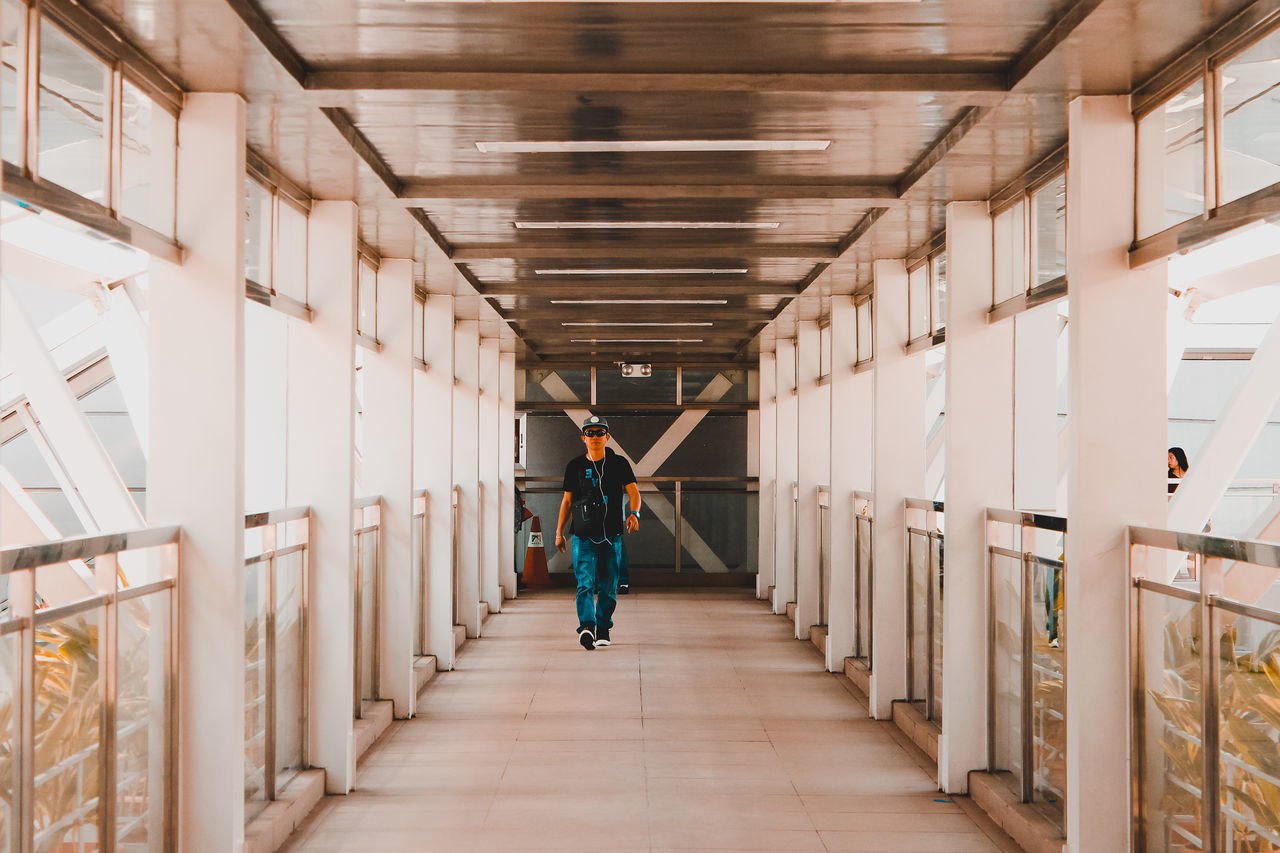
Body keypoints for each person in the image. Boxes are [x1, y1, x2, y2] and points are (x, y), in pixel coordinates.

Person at [555, 416, 641, 650]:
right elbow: (567, 501)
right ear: (583, 438)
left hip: (611, 535)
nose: (595, 437)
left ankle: (603, 628)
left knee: (608, 584)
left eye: (599, 432)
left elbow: (634, 492)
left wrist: (635, 513)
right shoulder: (575, 466)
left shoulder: (619, 464)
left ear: (607, 437)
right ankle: (587, 627)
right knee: (584, 583)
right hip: (582, 536)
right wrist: (559, 532)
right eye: (590, 433)